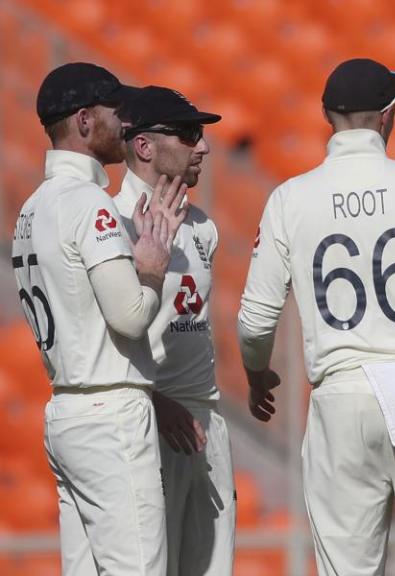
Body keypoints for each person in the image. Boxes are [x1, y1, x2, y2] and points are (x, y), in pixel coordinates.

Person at [237, 58, 395, 575]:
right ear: (386, 116)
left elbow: (254, 322)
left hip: (342, 393)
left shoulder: (290, 198)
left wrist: (256, 372)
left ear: (327, 115)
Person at [13, 62, 187, 575]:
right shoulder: (89, 203)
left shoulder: (32, 206)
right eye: (117, 111)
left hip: (66, 409)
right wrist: (151, 270)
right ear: (85, 121)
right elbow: (131, 318)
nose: (126, 123)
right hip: (109, 414)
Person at [114, 85, 234, 576]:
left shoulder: (202, 225)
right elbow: (106, 331)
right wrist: (152, 399)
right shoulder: (111, 221)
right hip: (148, 419)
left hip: (205, 418)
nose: (202, 147)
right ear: (144, 146)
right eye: (188, 135)